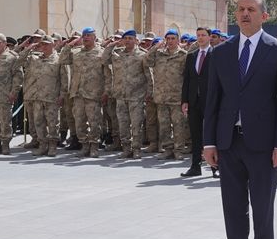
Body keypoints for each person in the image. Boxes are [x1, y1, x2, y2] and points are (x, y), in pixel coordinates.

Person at [203, 0, 277, 239]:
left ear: (263, 15)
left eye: (251, 9)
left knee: (263, 206)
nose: (244, 14)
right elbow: (213, 101)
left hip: (264, 146)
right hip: (229, 143)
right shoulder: (221, 52)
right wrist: (209, 143)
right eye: (240, 9)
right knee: (233, 206)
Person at [104, 30, 153, 160]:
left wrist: (150, 91)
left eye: (130, 38)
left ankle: (136, 149)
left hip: (136, 95)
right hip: (120, 95)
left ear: (136, 40)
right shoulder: (117, 54)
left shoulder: (142, 55)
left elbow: (148, 75)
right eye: (125, 39)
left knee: (136, 124)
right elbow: (104, 59)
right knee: (123, 123)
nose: (127, 41)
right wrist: (112, 44)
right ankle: (126, 148)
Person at [60, 28, 108, 158]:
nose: (86, 38)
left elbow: (107, 74)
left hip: (94, 94)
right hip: (78, 93)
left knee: (94, 122)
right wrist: (69, 44)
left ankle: (94, 146)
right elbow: (62, 59)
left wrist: (106, 91)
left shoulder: (101, 53)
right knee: (79, 121)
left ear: (94, 37)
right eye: (84, 36)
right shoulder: (76, 53)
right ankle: (84, 145)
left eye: (88, 35)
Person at [146, 29, 189, 158]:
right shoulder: (159, 54)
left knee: (178, 125)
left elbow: (188, 77)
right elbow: (147, 61)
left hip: (177, 97)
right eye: (168, 38)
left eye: (173, 38)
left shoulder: (184, 55)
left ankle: (179, 150)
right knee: (164, 125)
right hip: (161, 96)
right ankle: (168, 149)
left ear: (178, 40)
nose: (170, 41)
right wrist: (155, 47)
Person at [19, 37, 65, 156]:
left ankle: (53, 146)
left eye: (46, 44)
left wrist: (62, 95)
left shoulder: (59, 59)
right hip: (37, 97)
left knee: (53, 122)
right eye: (42, 44)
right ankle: (42, 145)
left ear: (53, 45)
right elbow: (19, 61)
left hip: (52, 97)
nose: (43, 47)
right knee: (38, 122)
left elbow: (64, 79)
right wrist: (28, 48)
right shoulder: (34, 59)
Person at [181, 27, 214, 178]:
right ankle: (195, 166)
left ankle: (215, 167)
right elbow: (187, 80)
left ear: (209, 37)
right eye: (198, 35)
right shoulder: (192, 56)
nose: (200, 38)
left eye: (203, 35)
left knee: (212, 134)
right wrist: (185, 100)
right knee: (195, 134)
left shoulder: (217, 55)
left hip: (211, 101)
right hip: (194, 101)